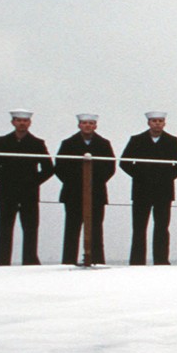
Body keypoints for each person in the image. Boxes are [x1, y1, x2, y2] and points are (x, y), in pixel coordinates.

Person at [119, 111, 177, 265]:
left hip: (164, 190)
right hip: (141, 190)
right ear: (148, 123)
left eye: (160, 121)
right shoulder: (136, 140)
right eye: (154, 121)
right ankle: (137, 261)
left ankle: (161, 260)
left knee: (162, 227)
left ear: (164, 123)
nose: (157, 123)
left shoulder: (172, 141)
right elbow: (124, 162)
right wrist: (140, 175)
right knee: (139, 227)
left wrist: (167, 176)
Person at [0, 109, 53, 265]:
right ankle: (3, 261)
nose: (22, 123)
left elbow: (48, 168)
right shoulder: (2, 141)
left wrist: (33, 182)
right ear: (13, 122)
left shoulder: (37, 143)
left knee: (30, 228)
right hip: (7, 192)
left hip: (29, 192)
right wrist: (5, 181)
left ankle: (30, 261)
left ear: (29, 123)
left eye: (25, 121)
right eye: (18, 120)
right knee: (5, 228)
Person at [55, 113, 116, 265]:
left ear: (95, 126)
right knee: (72, 228)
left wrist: (94, 182)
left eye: (91, 123)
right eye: (84, 123)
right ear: (79, 125)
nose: (87, 126)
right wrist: (76, 182)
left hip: (96, 193)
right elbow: (60, 168)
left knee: (96, 227)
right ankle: (68, 261)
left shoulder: (104, 144)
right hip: (73, 193)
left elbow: (110, 167)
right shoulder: (68, 143)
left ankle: (97, 260)